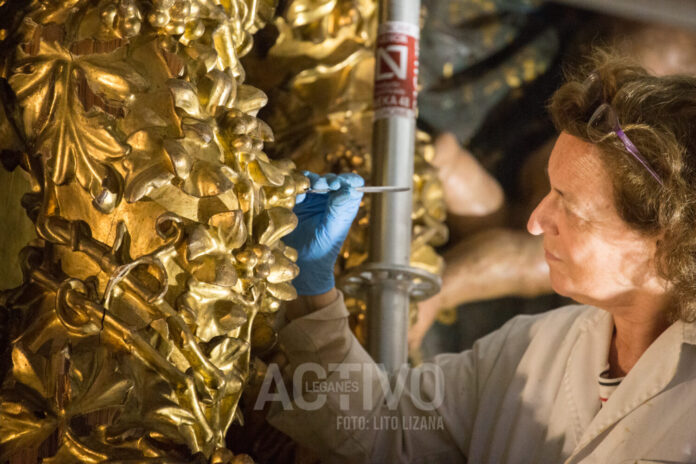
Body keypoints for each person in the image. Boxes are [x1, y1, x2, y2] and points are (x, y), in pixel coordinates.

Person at [267, 52, 696, 463]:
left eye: (569, 207)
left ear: (665, 237)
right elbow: (382, 430)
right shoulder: (528, 349)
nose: (534, 222)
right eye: (549, 192)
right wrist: (314, 294)